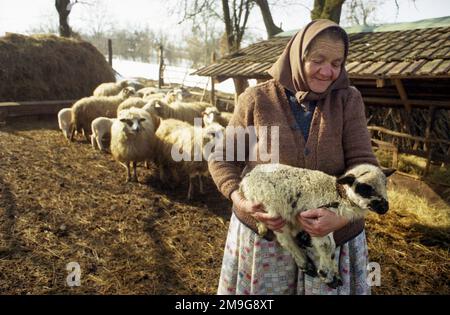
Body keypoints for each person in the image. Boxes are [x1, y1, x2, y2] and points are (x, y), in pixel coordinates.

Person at [208, 19, 379, 295]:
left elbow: (366, 167)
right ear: (297, 56)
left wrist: (343, 218)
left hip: (330, 239)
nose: (328, 72)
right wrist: (242, 201)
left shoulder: (348, 100)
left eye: (336, 63)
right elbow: (222, 158)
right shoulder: (256, 100)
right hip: (267, 241)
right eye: (318, 60)